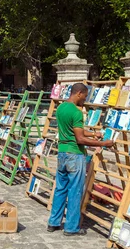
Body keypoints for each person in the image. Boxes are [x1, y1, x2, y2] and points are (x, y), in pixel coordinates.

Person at [47, 82, 115, 236]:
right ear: (79, 93)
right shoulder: (77, 112)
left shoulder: (62, 108)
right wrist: (103, 143)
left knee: (60, 189)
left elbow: (73, 130)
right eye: (84, 96)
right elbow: (79, 139)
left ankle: (53, 222)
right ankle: (71, 228)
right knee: (75, 191)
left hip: (62, 153)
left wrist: (92, 134)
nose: (84, 99)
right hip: (75, 155)